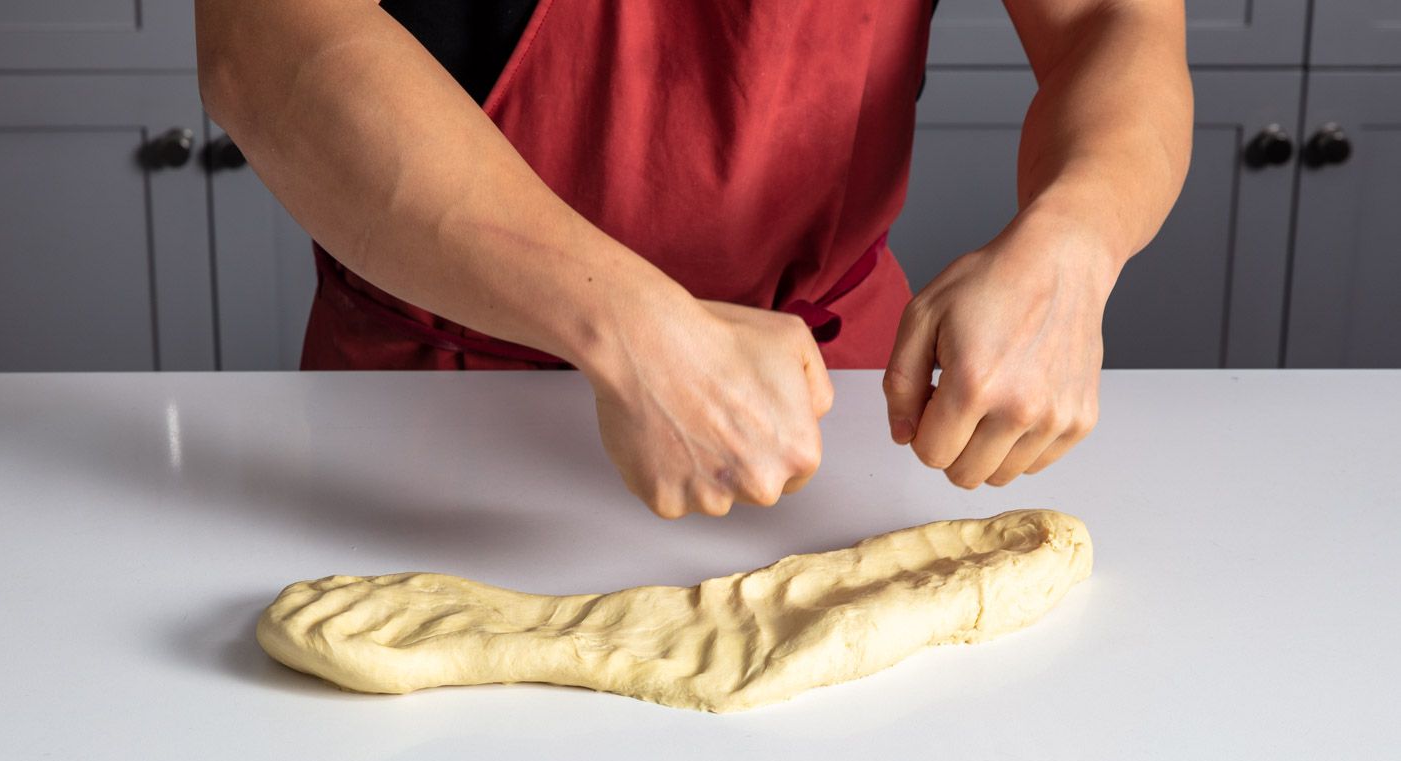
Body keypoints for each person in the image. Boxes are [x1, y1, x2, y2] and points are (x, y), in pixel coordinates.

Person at [194, 0, 1192, 517]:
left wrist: (1078, 234)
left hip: (832, 421)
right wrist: (620, 321)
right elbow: (265, 33)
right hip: (434, 425)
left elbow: (1118, 21)